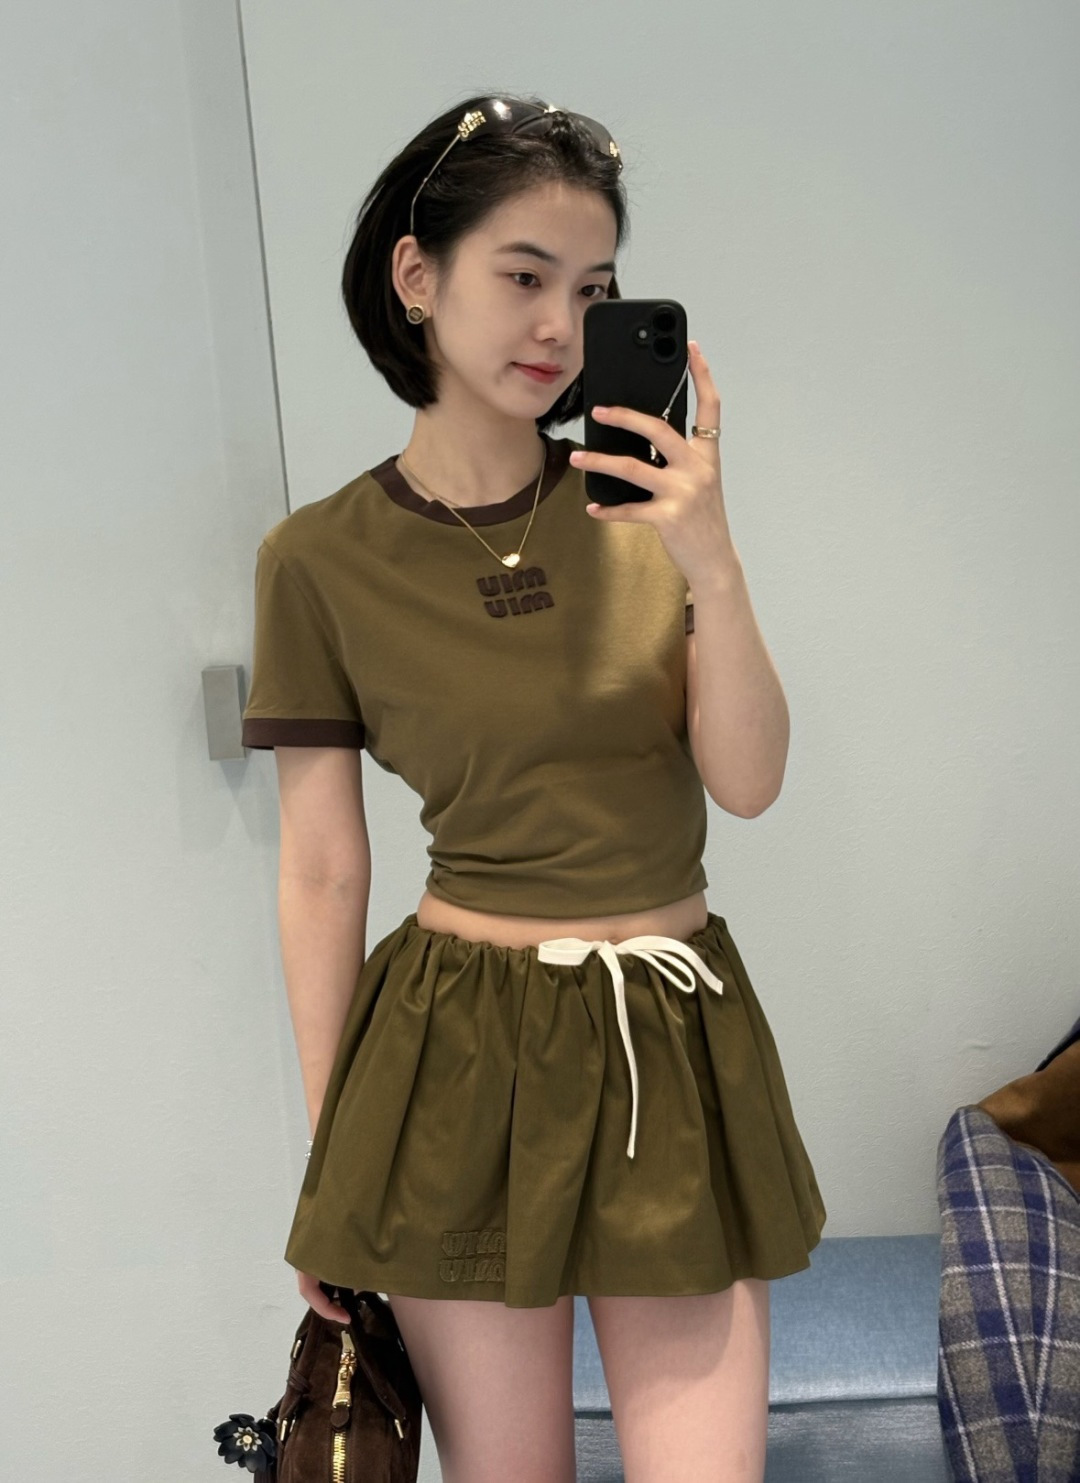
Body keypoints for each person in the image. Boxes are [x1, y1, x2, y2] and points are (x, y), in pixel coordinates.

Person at [240, 92, 827, 1483]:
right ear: (417, 275)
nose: (560, 325)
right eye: (524, 276)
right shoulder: (316, 560)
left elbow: (748, 784)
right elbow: (323, 868)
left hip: (666, 1034)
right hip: (457, 1054)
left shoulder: (650, 516)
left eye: (594, 289)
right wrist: (337, 1163)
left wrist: (714, 559)